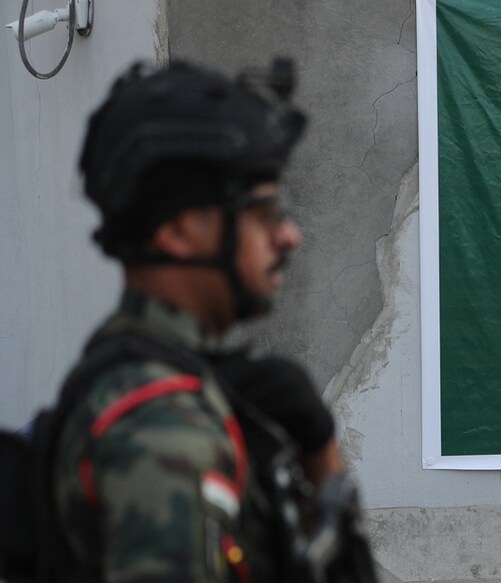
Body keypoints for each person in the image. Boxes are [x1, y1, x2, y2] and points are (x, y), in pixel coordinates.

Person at [46, 59, 373, 582]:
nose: (289, 236)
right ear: (179, 232)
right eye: (264, 213)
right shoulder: (163, 429)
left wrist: (319, 452)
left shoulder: (182, 386)